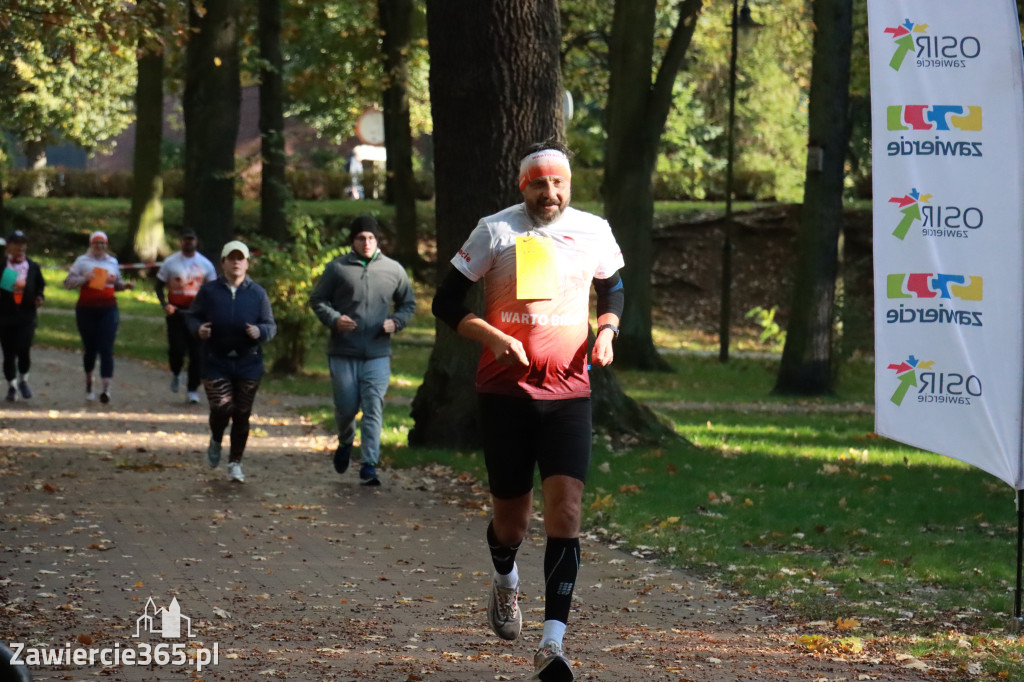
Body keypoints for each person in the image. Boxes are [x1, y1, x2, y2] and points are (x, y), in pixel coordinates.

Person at [431, 139, 624, 681]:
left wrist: (607, 329)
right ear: (524, 186)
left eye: (558, 182)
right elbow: (445, 302)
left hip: (569, 392)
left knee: (566, 512)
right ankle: (505, 578)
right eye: (539, 183)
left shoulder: (594, 230)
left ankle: (552, 645)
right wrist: (490, 336)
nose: (550, 192)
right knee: (511, 524)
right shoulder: (496, 230)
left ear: (569, 184)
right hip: (505, 395)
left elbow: (614, 289)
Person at [309, 215, 416, 486]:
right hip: (343, 351)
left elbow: (408, 303)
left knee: (373, 407)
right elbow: (318, 299)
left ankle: (369, 464)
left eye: (371, 237)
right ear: (352, 240)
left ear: (377, 240)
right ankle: (346, 440)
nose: (366, 242)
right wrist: (334, 319)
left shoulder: (394, 270)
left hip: (378, 353)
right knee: (345, 408)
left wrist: (397, 322)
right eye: (360, 238)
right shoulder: (337, 269)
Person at [186, 240, 276, 483]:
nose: (236, 262)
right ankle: (216, 438)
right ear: (223, 262)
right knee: (223, 408)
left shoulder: (257, 293)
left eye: (241, 258)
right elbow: (192, 317)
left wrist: (260, 332)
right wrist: (198, 330)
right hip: (216, 359)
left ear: (247, 263)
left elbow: (270, 324)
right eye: (231, 258)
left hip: (248, 362)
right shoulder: (209, 291)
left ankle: (235, 462)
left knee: (242, 413)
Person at [63, 231, 135, 403]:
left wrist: (124, 286)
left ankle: (106, 389)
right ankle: (89, 382)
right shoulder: (82, 261)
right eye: (96, 244)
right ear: (90, 245)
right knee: (91, 349)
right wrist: (84, 279)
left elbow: (114, 284)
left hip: (108, 308)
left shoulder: (112, 262)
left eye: (103, 244)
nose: (100, 247)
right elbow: (67, 283)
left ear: (106, 245)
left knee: (106, 348)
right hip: (86, 309)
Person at [155, 227, 217, 404]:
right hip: (176, 312)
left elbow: (212, 289)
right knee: (177, 349)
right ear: (181, 241)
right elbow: (158, 285)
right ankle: (176, 372)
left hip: (197, 314)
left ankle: (192, 389)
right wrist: (164, 305)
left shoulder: (205, 264)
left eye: (191, 239)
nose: (188, 242)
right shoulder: (170, 262)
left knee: (197, 353)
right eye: (185, 239)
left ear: (196, 242)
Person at [0, 230, 45, 401]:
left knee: (24, 349)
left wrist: (40, 297)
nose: (20, 247)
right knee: (9, 353)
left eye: (23, 243)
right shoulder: (3, 265)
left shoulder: (32, 266)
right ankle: (11, 385)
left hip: (26, 315)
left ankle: (23, 380)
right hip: (5, 316)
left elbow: (40, 286)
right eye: (16, 243)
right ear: (9, 246)